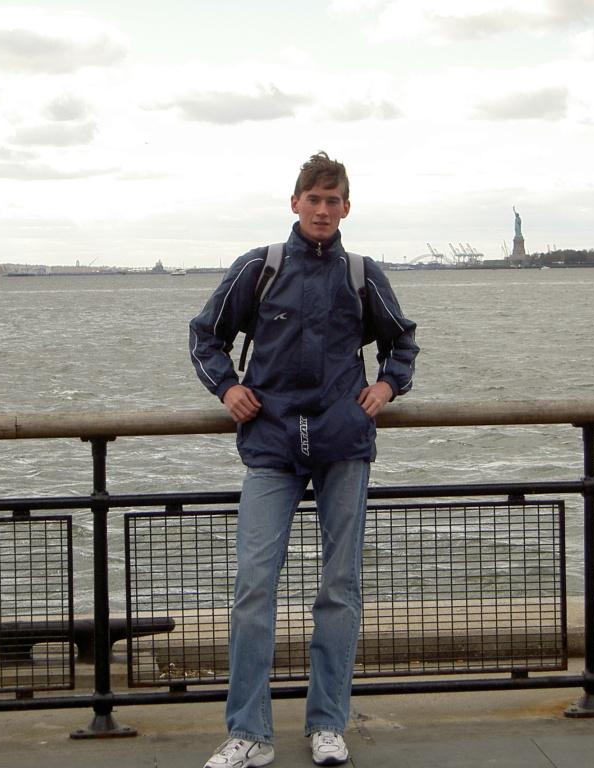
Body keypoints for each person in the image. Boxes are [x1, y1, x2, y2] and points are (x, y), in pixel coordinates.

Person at [189, 151, 418, 767]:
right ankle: (248, 732)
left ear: (346, 207)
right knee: (253, 587)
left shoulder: (362, 274)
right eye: (312, 199)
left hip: (343, 442)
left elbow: (401, 340)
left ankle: (328, 724)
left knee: (340, 587)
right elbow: (205, 334)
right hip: (271, 442)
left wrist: (388, 386)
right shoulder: (258, 268)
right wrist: (226, 388)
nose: (322, 210)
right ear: (295, 203)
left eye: (332, 200)